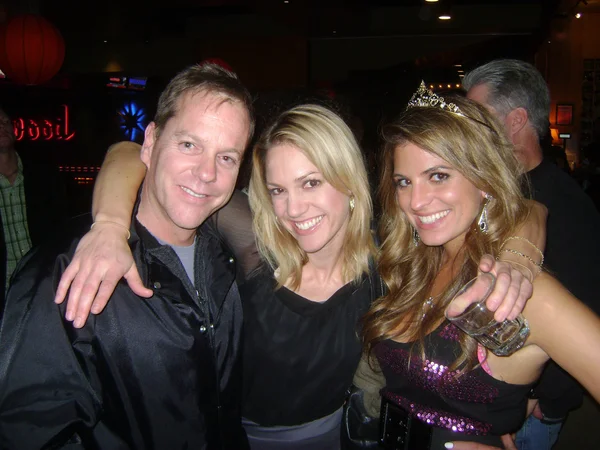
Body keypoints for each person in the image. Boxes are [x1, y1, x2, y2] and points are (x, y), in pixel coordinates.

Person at [50, 97, 542, 449]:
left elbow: (522, 204)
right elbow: (128, 151)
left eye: (310, 182)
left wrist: (521, 251)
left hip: (334, 437)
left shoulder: (388, 262)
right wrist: (110, 226)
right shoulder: (255, 249)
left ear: (349, 183)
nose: (293, 208)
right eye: (278, 189)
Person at [0, 62, 254, 449]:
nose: (206, 173)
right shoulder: (65, 270)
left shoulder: (224, 259)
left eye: (226, 157)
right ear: (150, 142)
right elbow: (31, 432)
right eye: (189, 144)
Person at [362, 85, 600, 450]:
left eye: (439, 175)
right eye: (403, 182)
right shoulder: (412, 266)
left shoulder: (522, 289)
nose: (416, 201)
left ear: (485, 179)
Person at [463, 59, 600, 449]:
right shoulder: (494, 186)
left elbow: (587, 302)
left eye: (480, 115)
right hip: (489, 390)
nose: (471, 127)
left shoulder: (565, 204)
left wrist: (543, 397)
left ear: (517, 120)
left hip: (527, 407)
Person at [0, 107, 66, 311]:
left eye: (5, 121)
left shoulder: (43, 174)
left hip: (43, 284)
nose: (2, 127)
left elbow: (62, 227)